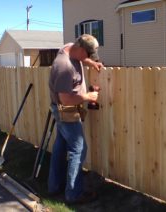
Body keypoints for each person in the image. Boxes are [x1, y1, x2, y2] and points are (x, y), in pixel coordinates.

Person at [48, 34, 103, 204]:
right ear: (80, 49)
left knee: (60, 147)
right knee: (78, 151)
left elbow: (80, 57)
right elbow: (66, 99)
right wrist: (88, 96)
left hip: (61, 111)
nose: (87, 59)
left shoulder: (70, 47)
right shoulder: (64, 67)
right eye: (87, 55)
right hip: (67, 113)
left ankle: (54, 187)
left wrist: (91, 62)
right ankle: (73, 194)